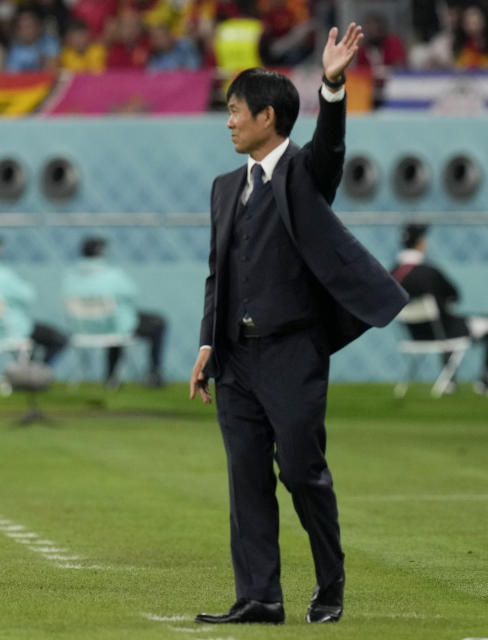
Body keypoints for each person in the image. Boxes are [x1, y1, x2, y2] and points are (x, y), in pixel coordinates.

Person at [189, 24, 408, 625]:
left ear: (267, 117)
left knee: (303, 472)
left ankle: (330, 584)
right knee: (247, 480)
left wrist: (332, 84)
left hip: (293, 353)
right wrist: (208, 343)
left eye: (236, 112)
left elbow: (331, 146)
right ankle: (259, 597)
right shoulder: (223, 187)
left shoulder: (304, 175)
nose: (228, 122)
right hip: (237, 359)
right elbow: (218, 273)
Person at [392, 224, 488, 394]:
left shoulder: (393, 273)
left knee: (444, 324)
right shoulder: (429, 271)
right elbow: (454, 295)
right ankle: (483, 381)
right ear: (420, 243)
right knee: (460, 324)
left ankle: (449, 381)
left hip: (412, 334)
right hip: (443, 332)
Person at [62, 236, 167, 387]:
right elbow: (131, 293)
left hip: (81, 329)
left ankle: (111, 375)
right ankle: (153, 373)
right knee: (157, 323)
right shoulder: (112, 275)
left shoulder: (70, 276)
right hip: (112, 326)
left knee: (114, 323)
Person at [0, 232, 68, 366]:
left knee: (32, 341)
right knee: (58, 339)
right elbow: (28, 296)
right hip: (9, 331)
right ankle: (38, 372)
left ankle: (25, 370)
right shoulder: (1, 274)